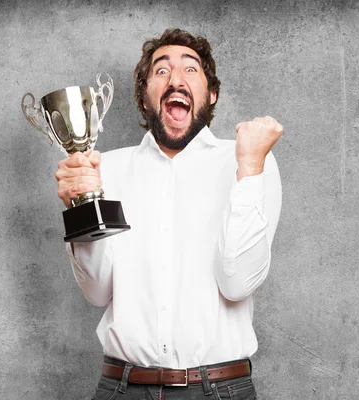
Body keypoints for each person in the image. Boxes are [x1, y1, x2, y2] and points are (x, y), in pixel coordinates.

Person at [54, 28, 282, 400]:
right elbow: (97, 291)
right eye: (161, 71)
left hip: (220, 390)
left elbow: (237, 282)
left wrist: (249, 169)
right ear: (145, 99)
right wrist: (80, 206)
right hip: (121, 388)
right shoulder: (105, 169)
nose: (176, 78)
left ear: (212, 94)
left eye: (191, 70)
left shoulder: (249, 161)